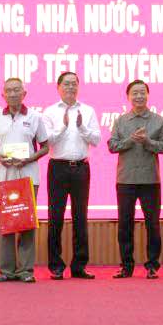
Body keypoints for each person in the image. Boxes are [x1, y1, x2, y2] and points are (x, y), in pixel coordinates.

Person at [108, 79, 163, 279]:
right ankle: (126, 266)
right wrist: (130, 140)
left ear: (148, 95)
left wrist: (148, 142)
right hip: (125, 179)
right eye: (135, 93)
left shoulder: (158, 121)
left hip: (150, 180)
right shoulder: (120, 121)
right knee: (125, 223)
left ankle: (152, 265)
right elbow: (112, 146)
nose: (139, 96)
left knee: (152, 223)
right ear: (128, 97)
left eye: (142, 92)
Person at [0, 78, 48, 283]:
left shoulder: (35, 116)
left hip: (28, 175)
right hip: (4, 175)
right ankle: (6, 271)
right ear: (2, 94)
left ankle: (25, 270)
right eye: (8, 90)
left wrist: (29, 159)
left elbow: (45, 147)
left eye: (16, 90)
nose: (12, 94)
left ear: (24, 93)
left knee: (26, 223)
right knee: (7, 223)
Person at [42, 72, 100, 280]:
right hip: (57, 168)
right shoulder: (49, 112)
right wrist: (64, 126)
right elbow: (47, 141)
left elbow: (96, 140)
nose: (70, 87)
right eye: (66, 84)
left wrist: (82, 127)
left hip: (81, 168)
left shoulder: (88, 110)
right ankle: (56, 265)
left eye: (74, 84)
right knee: (55, 217)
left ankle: (79, 265)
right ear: (58, 87)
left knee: (80, 217)